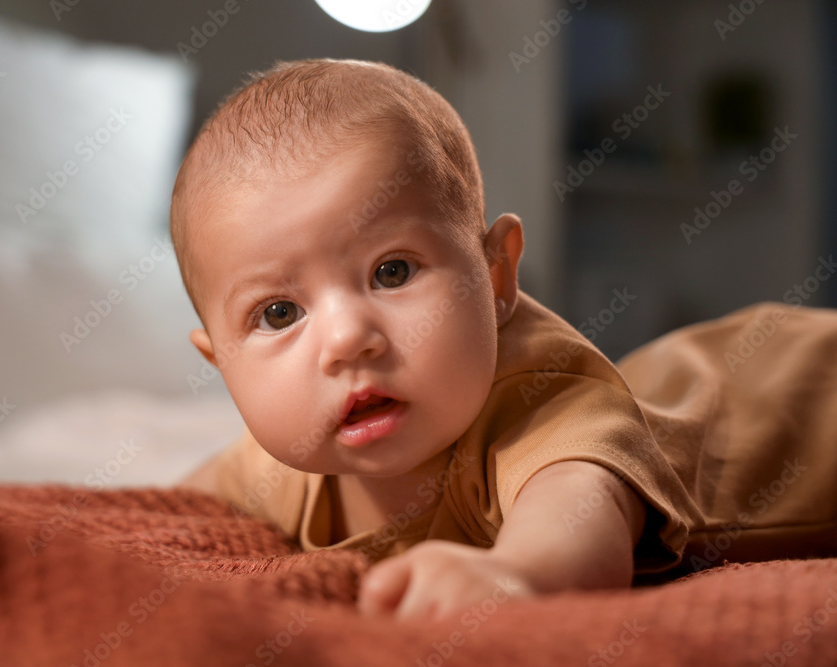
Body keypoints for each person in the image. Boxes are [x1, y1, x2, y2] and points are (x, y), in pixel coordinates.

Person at [172, 58, 837, 621]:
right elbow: (179, 503)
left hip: (802, 392)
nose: (347, 339)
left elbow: (580, 514)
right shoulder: (290, 462)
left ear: (496, 273)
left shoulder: (543, 405)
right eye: (280, 313)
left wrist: (517, 574)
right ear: (222, 363)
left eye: (392, 271)